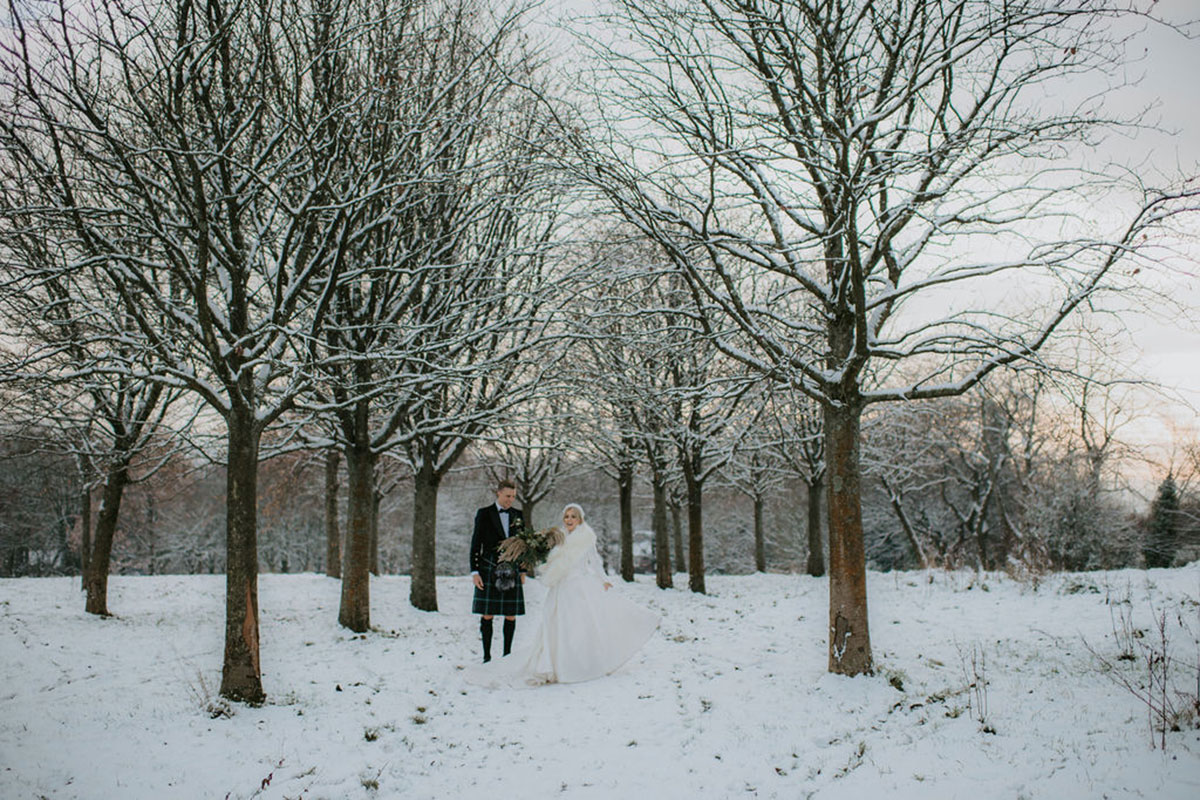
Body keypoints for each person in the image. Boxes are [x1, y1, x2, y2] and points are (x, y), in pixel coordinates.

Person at [492, 503, 659, 685]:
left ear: (580, 519)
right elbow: (551, 560)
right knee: (556, 624)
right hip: (560, 588)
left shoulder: (586, 538)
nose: (569, 520)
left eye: (573, 516)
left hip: (579, 586)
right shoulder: (558, 537)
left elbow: (595, 561)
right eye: (566, 516)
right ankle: (553, 664)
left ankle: (579, 665)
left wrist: (603, 579)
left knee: (579, 627)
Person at [469, 479, 526, 662]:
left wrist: (523, 570)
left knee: (511, 614)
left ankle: (507, 656)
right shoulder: (484, 513)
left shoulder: (518, 514)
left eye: (514, 497)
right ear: (498, 493)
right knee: (488, 613)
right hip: (489, 566)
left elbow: (523, 544)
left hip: (512, 567)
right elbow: (475, 543)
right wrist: (474, 571)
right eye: (508, 496)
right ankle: (486, 656)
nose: (511, 500)